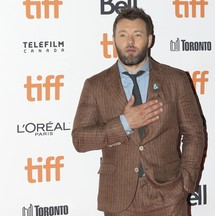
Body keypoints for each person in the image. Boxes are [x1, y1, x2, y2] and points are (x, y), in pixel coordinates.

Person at [72, 7, 206, 216]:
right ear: (114, 39)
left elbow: (194, 134)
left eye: (138, 35)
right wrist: (125, 123)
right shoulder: (95, 85)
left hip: (168, 196)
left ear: (150, 39)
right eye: (123, 35)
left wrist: (186, 183)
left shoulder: (176, 80)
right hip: (119, 199)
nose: (130, 42)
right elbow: (79, 139)